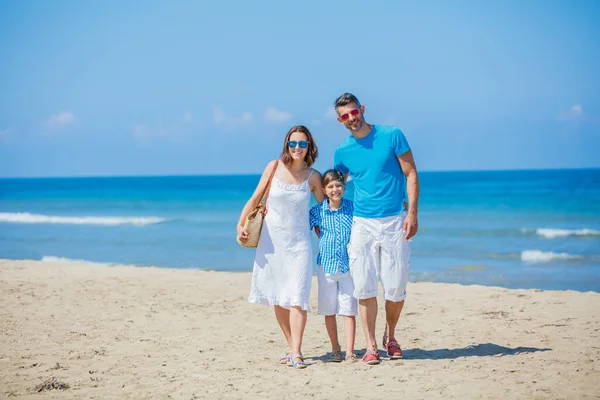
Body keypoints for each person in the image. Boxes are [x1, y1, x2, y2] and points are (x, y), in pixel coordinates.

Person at [332, 93, 420, 365]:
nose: (351, 119)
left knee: (395, 289)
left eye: (353, 112)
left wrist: (412, 213)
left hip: (395, 221)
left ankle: (390, 336)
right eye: (344, 116)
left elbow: (411, 173)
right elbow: (334, 186)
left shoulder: (392, 135)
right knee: (365, 288)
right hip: (363, 225)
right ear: (340, 120)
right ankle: (371, 346)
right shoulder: (342, 151)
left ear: (362, 109)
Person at [237, 125, 325, 369]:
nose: (297, 148)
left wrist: (329, 227)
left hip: (299, 245)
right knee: (278, 297)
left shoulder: (313, 176)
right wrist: (240, 225)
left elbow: (324, 208)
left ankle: (296, 352)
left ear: (310, 147)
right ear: (287, 145)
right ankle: (291, 347)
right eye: (293, 143)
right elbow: (255, 198)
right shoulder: (274, 167)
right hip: (271, 243)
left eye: (302, 143)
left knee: (298, 297)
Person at [309, 169, 357, 363]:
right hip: (326, 267)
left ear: (344, 187)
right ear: (324, 189)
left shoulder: (353, 208)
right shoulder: (317, 211)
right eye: (330, 186)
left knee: (349, 310)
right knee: (329, 310)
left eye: (338, 185)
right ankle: (335, 349)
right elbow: (301, 227)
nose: (335, 189)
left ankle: (350, 351)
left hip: (348, 267)